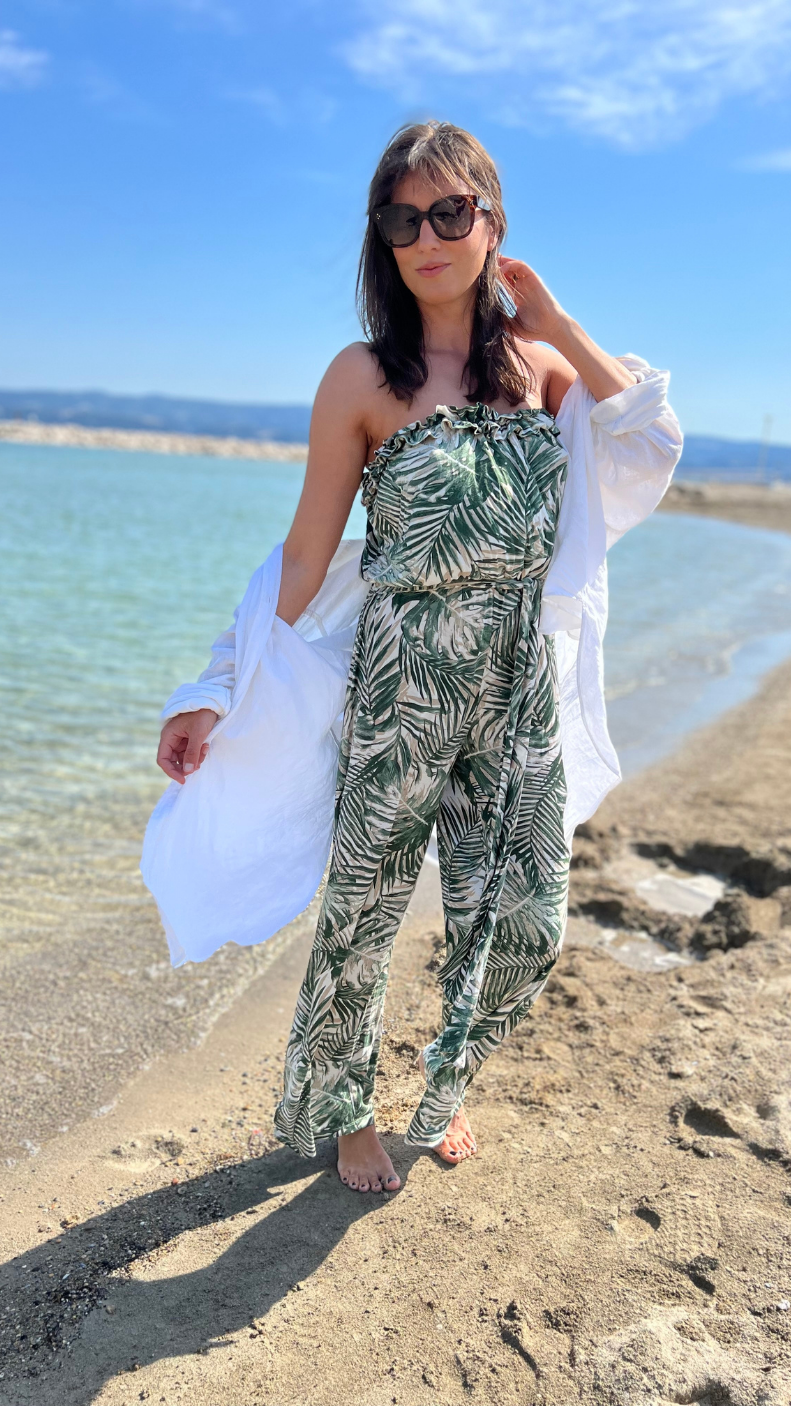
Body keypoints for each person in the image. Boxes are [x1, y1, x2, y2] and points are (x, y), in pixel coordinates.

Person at [148, 120, 682, 1196]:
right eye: (402, 219)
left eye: (449, 212)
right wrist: (217, 685)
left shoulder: (541, 371)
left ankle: (445, 1081)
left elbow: (645, 445)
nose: (426, 238)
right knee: (364, 909)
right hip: (400, 680)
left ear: (491, 221)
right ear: (381, 238)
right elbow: (306, 556)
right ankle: (347, 1111)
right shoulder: (360, 376)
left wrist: (556, 324)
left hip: (515, 679)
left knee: (521, 919)